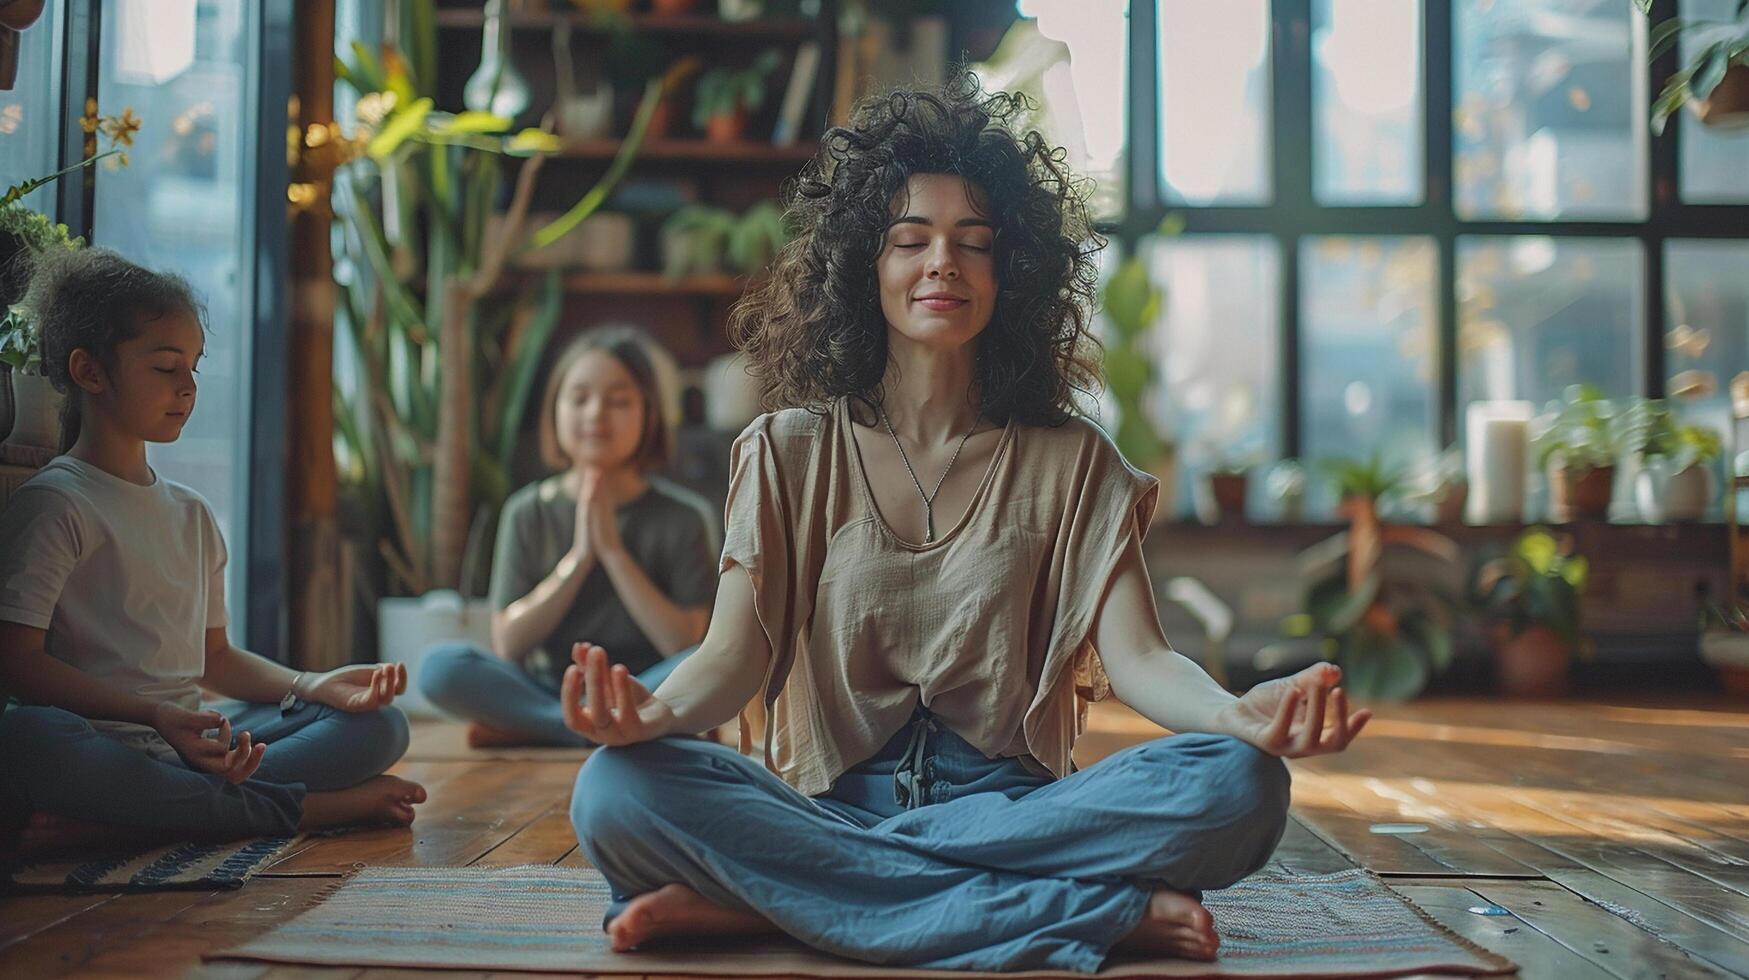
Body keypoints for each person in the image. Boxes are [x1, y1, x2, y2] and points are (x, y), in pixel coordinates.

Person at [560, 76, 1372, 972]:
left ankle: (774, 906)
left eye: (972, 244)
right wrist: (655, 713)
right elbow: (730, 656)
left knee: (1241, 785)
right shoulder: (785, 451)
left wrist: (1235, 714)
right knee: (613, 791)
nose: (941, 263)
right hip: (828, 808)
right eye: (910, 241)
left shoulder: (1075, 461)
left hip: (1019, 812)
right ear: (863, 266)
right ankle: (1075, 910)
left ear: (1009, 272)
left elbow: (1141, 658)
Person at [0, 248, 425, 854]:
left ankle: (133, 820)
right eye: (167, 367)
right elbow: (15, 662)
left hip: (188, 746)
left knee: (380, 724)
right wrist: (154, 717)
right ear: (90, 372)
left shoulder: (192, 514)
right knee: (26, 735)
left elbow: (214, 657)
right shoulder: (58, 504)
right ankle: (307, 809)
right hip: (104, 744)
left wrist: (314, 685)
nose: (188, 388)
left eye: (195, 367)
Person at [419, 327, 718, 748]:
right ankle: (590, 729)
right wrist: (578, 559)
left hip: (645, 689)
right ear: (554, 412)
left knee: (707, 665)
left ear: (649, 413)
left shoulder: (684, 517)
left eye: (618, 401)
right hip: (549, 690)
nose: (596, 414)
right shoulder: (528, 511)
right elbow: (508, 642)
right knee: (441, 666)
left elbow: (684, 642)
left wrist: (613, 553)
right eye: (579, 398)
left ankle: (553, 728)